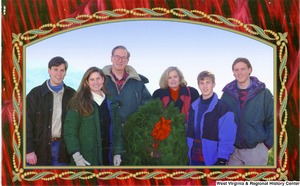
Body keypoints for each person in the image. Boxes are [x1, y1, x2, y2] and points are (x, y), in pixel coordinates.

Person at [63, 67, 123, 166]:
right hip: (86, 159)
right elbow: (70, 131)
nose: (96, 82)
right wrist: (77, 156)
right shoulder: (78, 102)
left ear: (103, 79)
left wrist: (118, 153)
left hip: (108, 158)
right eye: (92, 79)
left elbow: (118, 131)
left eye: (98, 78)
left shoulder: (111, 103)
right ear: (86, 82)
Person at [221, 57, 274, 165]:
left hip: (256, 151)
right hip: (233, 152)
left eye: (243, 69)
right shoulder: (227, 94)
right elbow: (221, 121)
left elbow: (273, 119)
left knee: (254, 182)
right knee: (231, 182)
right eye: (236, 70)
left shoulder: (263, 93)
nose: (239, 73)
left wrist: (267, 144)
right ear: (233, 72)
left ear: (249, 70)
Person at [26, 56, 76, 166]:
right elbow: (26, 124)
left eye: (62, 70)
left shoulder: (72, 95)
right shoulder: (35, 94)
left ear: (65, 72)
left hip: (63, 150)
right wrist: (28, 150)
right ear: (49, 70)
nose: (59, 74)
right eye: (55, 69)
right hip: (39, 149)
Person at [186, 70, 236, 165]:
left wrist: (222, 159)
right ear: (199, 85)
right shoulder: (193, 107)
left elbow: (227, 136)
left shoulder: (223, 107)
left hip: (212, 159)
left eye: (208, 82)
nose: (205, 86)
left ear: (213, 84)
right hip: (193, 159)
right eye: (202, 83)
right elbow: (189, 132)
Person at [102, 45, 152, 124]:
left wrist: (138, 121)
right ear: (111, 58)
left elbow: (148, 103)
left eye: (123, 57)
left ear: (127, 60)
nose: (120, 60)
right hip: (107, 130)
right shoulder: (100, 79)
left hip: (131, 129)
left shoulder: (137, 81)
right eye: (117, 56)